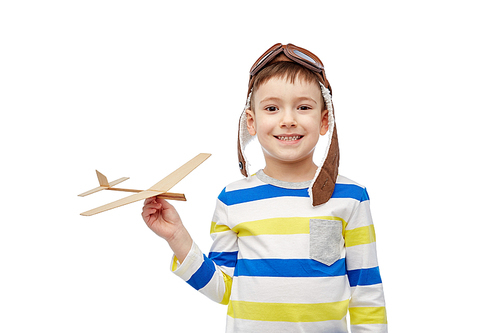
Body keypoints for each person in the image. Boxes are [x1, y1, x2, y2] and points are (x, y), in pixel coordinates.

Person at [142, 43, 387, 333]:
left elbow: (366, 293)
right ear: (251, 121)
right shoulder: (233, 199)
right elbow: (223, 290)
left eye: (304, 107)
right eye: (272, 108)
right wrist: (177, 237)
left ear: (324, 120)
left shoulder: (351, 197)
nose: (287, 120)